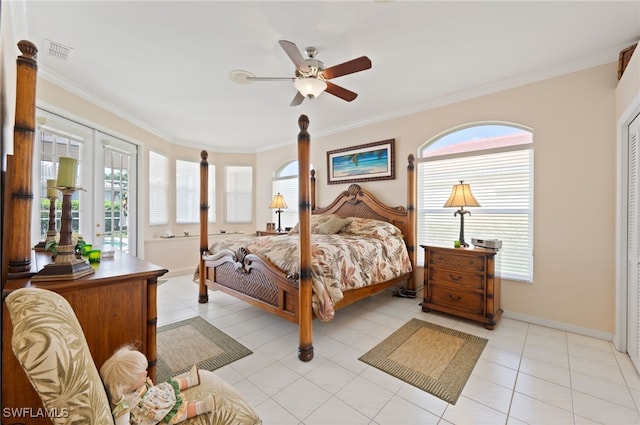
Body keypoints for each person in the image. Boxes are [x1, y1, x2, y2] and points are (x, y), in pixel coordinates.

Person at [100, 344, 215, 425]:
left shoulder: (133, 386)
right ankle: (202, 407)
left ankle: (191, 380)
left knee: (170, 385)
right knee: (177, 412)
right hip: (155, 413)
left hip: (154, 395)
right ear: (129, 383)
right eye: (142, 373)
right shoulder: (123, 407)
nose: (146, 372)